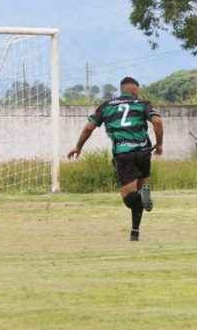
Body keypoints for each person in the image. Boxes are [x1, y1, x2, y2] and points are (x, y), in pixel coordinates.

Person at [68, 77, 163, 241]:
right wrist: (159, 144)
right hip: (144, 152)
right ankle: (135, 232)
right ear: (134, 90)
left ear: (122, 89)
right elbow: (158, 122)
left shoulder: (106, 106)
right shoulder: (142, 104)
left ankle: (140, 199)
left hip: (123, 153)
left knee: (129, 199)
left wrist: (78, 147)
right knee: (138, 193)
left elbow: (88, 128)